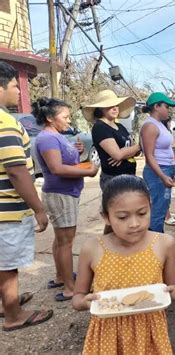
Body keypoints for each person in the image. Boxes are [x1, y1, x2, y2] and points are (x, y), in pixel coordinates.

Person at [72, 175, 175, 354]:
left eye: (142, 213)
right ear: (106, 217)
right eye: (122, 217)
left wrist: (171, 292)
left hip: (150, 333)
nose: (134, 224)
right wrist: (85, 302)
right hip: (107, 335)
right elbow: (77, 298)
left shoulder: (165, 244)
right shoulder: (92, 248)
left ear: (151, 208)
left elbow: (173, 286)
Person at [0, 61, 52, 331]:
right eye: (12, 86)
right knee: (8, 264)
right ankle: (13, 315)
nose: (18, 92)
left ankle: (6, 303)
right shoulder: (5, 122)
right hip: (7, 209)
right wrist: (38, 208)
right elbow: (17, 171)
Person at [33, 98, 98, 301]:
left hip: (65, 193)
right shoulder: (48, 138)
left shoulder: (56, 136)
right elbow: (57, 168)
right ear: (50, 118)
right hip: (61, 194)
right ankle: (71, 287)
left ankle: (62, 276)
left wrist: (75, 152)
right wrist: (88, 171)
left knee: (61, 239)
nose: (68, 121)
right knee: (66, 242)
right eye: (65, 117)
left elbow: (62, 160)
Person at [83, 89, 140, 191]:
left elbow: (134, 151)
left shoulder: (120, 126)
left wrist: (125, 152)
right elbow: (118, 155)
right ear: (100, 109)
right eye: (110, 106)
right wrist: (138, 147)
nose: (115, 108)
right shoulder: (100, 127)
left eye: (116, 105)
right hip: (113, 178)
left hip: (129, 175)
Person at [140, 92, 175, 233]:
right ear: (156, 106)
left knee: (162, 208)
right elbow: (149, 156)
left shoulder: (158, 124)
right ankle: (156, 246)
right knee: (157, 211)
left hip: (165, 169)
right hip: (158, 172)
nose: (169, 109)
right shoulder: (150, 126)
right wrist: (162, 176)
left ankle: (156, 243)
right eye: (167, 106)